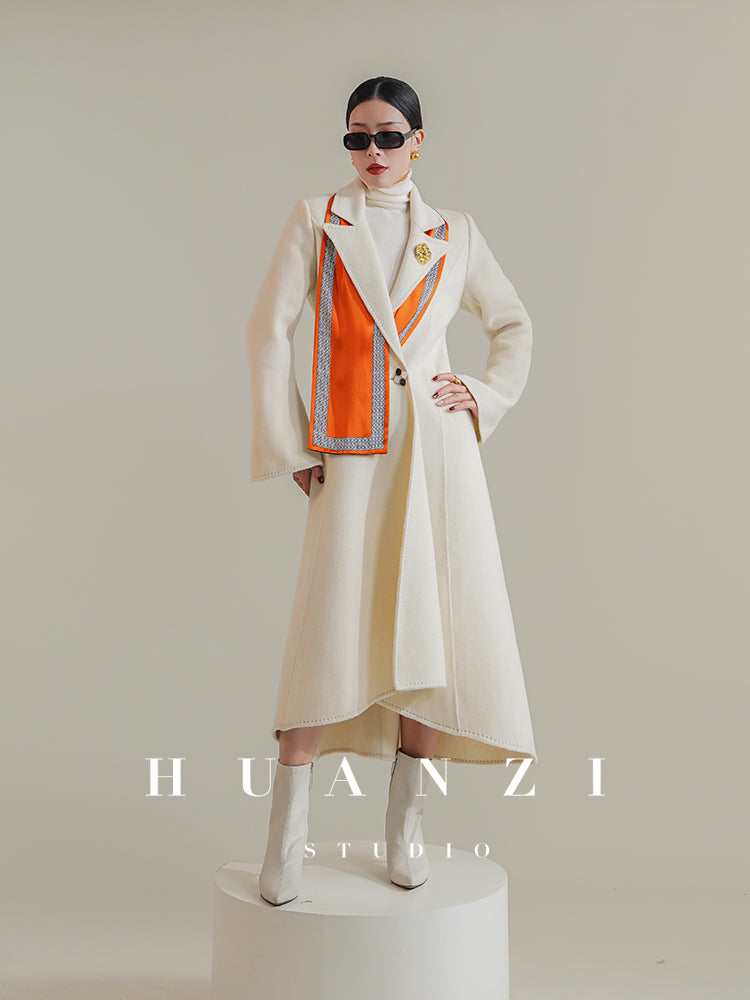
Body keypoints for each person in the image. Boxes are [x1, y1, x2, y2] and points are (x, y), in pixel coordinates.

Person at [245, 76, 537, 906]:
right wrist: (289, 442)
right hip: (352, 448)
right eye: (357, 137)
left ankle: (405, 831)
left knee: (428, 630)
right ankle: (286, 843)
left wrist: (480, 395)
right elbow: (268, 331)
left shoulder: (456, 233)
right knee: (328, 627)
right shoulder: (317, 219)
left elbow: (512, 324)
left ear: (417, 141)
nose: (371, 151)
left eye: (387, 135)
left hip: (437, 458)